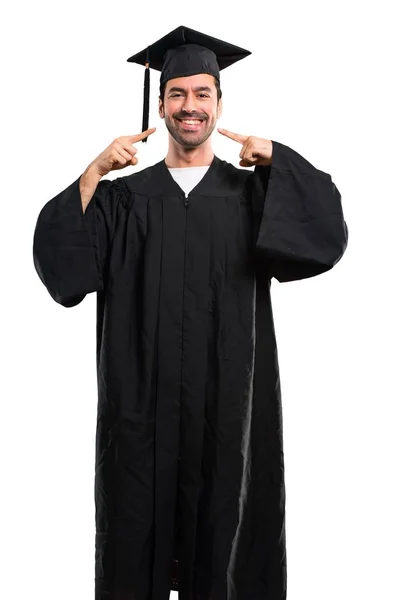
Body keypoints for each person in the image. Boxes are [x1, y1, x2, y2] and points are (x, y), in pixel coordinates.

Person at [33, 26, 348, 600]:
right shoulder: (122, 199)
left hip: (226, 411)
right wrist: (94, 171)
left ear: (220, 104)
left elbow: (325, 236)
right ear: (161, 104)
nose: (190, 106)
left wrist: (277, 159)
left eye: (202, 94)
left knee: (225, 536)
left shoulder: (252, 195)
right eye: (177, 94)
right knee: (134, 537)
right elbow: (63, 272)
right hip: (141, 415)